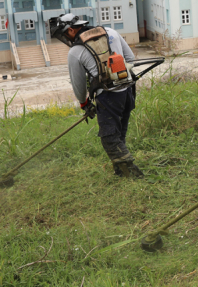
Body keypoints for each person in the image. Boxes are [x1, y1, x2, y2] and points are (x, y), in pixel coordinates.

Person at [48, 13, 144, 178]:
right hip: (128, 91)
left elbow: (78, 84)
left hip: (109, 97)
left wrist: (83, 103)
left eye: (63, 34)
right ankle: (120, 169)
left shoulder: (76, 51)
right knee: (119, 131)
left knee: (109, 136)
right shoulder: (110, 32)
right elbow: (130, 59)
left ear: (71, 30)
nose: (64, 39)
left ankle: (131, 172)